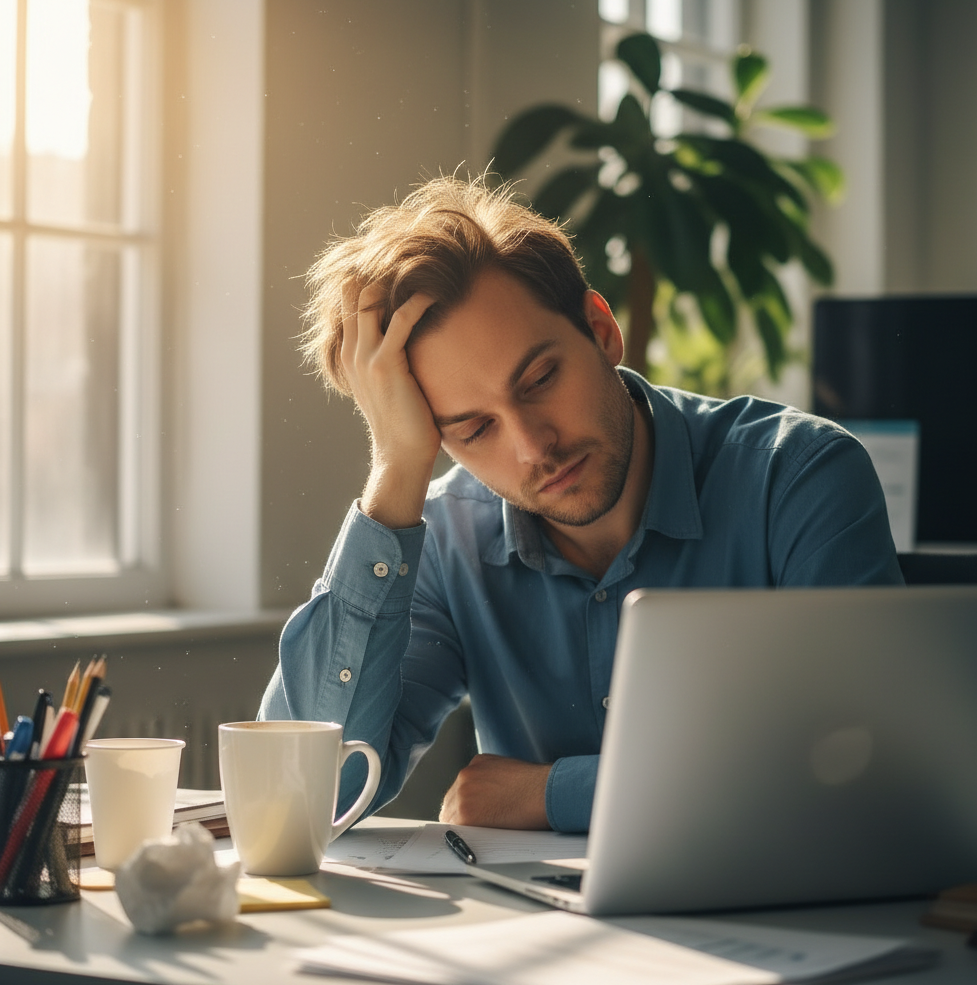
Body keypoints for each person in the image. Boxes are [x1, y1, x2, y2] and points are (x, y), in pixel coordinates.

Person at [258, 175, 902, 834]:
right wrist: (396, 472)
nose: (534, 446)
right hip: (548, 929)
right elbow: (300, 798)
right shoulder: (452, 534)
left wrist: (550, 793)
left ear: (601, 331)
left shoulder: (795, 476)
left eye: (540, 380)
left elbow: (862, 759)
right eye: (475, 429)